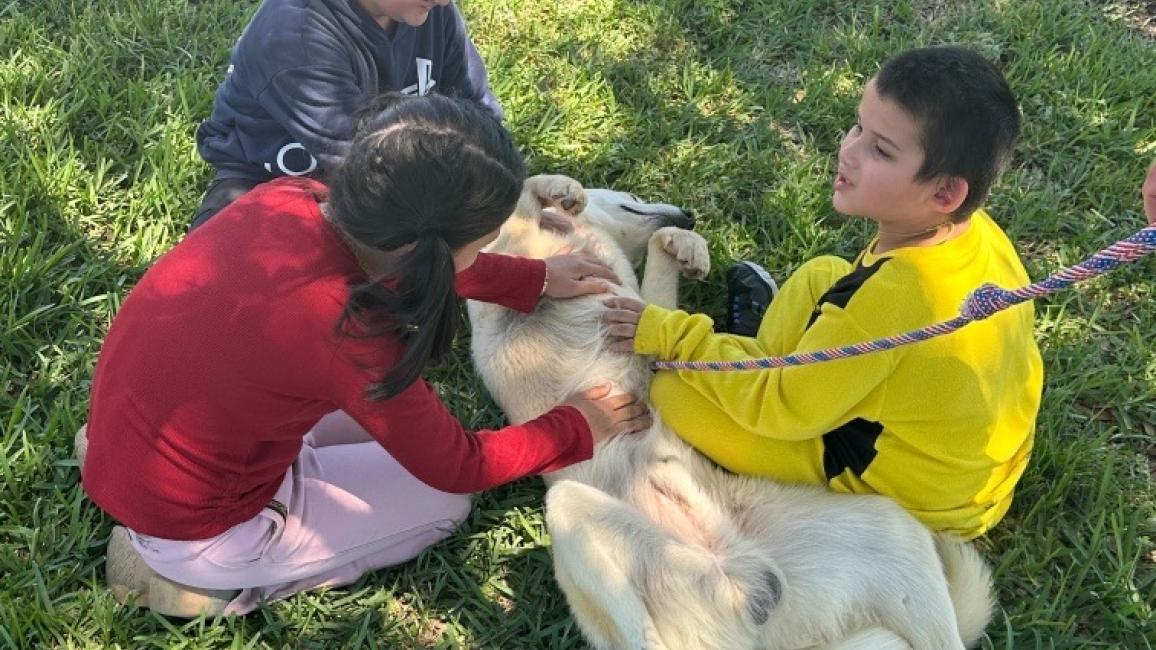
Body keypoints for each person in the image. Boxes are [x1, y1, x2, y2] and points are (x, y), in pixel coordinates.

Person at [79, 94, 651, 618]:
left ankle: (139, 491)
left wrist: (534, 279)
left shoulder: (288, 198)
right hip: (206, 522)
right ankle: (201, 582)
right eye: (478, 247)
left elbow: (407, 270)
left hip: (146, 445)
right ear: (423, 251)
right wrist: (575, 425)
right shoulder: (350, 331)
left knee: (370, 422)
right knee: (444, 503)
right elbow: (458, 466)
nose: (481, 256)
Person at [603, 46, 1044, 540]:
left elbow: (783, 411)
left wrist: (673, 335)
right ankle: (751, 361)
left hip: (910, 503)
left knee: (671, 391)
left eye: (881, 150)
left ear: (944, 193)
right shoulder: (979, 234)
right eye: (858, 127)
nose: (848, 151)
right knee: (824, 273)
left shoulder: (890, 300)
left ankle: (745, 365)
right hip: (972, 473)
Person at [190, 0, 500, 229]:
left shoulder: (432, 14)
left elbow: (479, 116)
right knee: (223, 282)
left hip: (389, 174)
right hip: (265, 180)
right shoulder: (295, 34)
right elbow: (372, 168)